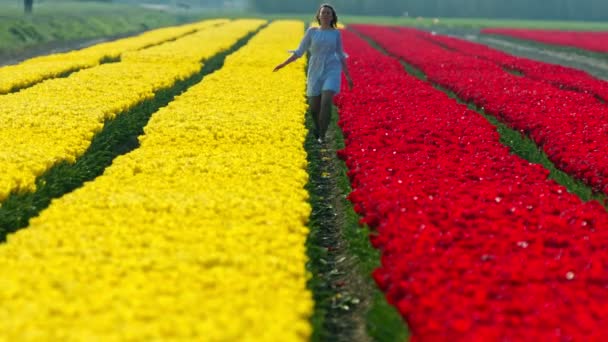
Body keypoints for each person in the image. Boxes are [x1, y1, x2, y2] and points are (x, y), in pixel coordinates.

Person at [273, 3, 353, 143]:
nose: (326, 15)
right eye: (324, 13)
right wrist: (283, 64)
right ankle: (317, 127)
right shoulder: (312, 32)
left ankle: (322, 135)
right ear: (319, 15)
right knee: (314, 108)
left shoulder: (335, 33)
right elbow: (299, 51)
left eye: (329, 13)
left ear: (332, 16)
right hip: (315, 69)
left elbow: (340, 54)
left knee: (326, 102)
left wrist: (347, 75)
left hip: (331, 68)